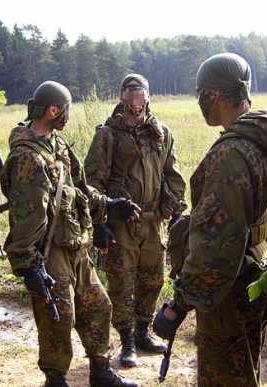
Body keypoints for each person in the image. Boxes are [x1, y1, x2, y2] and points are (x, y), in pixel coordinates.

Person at [153, 53, 267, 386]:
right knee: (244, 367)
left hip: (228, 288)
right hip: (257, 272)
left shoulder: (231, 154)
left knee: (225, 376)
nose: (200, 102)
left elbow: (216, 245)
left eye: (201, 95)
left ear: (213, 95)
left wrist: (179, 304)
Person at [0, 80, 139, 387]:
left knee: (98, 306)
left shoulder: (57, 145)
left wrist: (108, 204)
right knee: (58, 319)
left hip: (75, 243)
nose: (67, 115)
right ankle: (56, 378)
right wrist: (26, 265)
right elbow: (25, 216)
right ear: (52, 110)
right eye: (65, 110)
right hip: (49, 252)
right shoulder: (27, 157)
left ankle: (100, 372)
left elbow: (77, 188)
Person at [84, 74, 186, 367]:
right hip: (122, 222)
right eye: (129, 95)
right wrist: (101, 221)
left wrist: (172, 207)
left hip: (154, 221)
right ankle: (126, 340)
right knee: (121, 283)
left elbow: (173, 175)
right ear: (121, 97)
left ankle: (143, 333)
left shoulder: (161, 132)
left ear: (148, 97)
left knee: (153, 279)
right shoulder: (108, 134)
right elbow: (92, 182)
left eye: (140, 95)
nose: (135, 102)